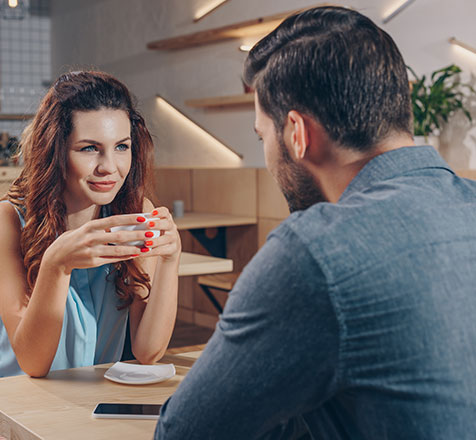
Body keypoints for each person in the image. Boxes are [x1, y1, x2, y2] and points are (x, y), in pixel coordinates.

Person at [155, 6, 476, 439]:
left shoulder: (314, 250)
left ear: (297, 133)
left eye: (261, 136)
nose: (267, 153)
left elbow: (185, 433)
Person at [0, 71, 181, 439]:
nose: (109, 167)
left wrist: (170, 259)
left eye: (122, 147)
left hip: (92, 412)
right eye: (89, 148)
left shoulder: (132, 212)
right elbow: (32, 363)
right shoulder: (4, 221)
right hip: (18, 412)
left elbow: (147, 352)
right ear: (55, 149)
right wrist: (56, 263)